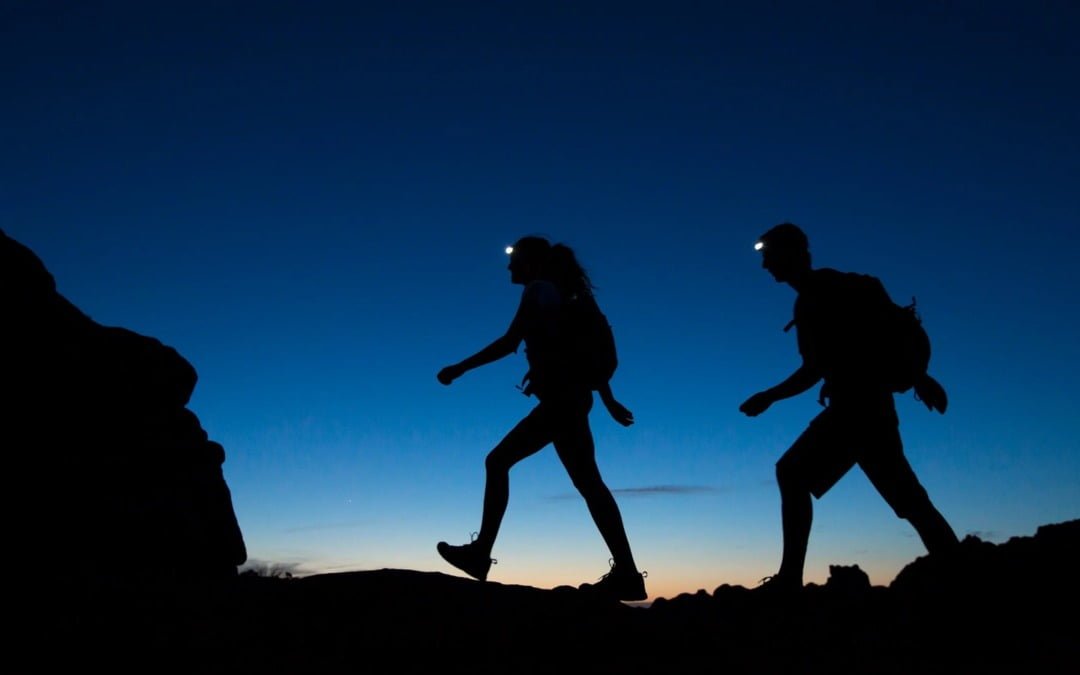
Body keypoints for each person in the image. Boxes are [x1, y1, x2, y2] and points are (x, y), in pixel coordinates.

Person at [739, 222, 960, 592]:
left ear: (792, 254)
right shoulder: (824, 291)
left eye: (770, 256)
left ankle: (790, 579)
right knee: (910, 501)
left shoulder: (817, 296)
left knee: (792, 473)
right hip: (867, 409)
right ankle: (963, 572)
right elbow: (843, 355)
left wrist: (769, 397)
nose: (766, 266)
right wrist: (917, 377)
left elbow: (814, 368)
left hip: (857, 410)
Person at [435, 235, 646, 601]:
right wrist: (605, 397)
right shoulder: (565, 293)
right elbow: (577, 348)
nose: (508, 266)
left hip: (563, 401)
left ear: (530, 261)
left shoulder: (538, 290)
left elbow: (509, 342)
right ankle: (627, 573)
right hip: (573, 399)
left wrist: (459, 368)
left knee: (498, 461)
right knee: (590, 485)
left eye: (514, 258)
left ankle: (480, 554)